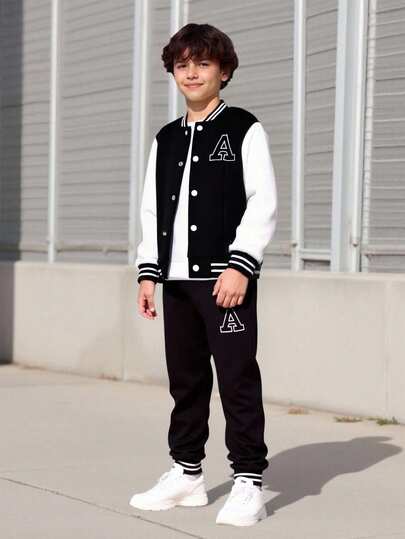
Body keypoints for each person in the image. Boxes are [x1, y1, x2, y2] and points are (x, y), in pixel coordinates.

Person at [128, 22, 277, 527]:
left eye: (203, 64)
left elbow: (262, 202)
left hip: (224, 282)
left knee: (236, 379)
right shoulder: (166, 139)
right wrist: (148, 273)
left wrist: (241, 264)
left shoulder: (243, 129)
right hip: (175, 283)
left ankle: (249, 481)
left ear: (224, 71)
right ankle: (187, 473)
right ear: (173, 72)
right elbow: (152, 211)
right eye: (182, 65)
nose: (192, 73)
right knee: (186, 381)